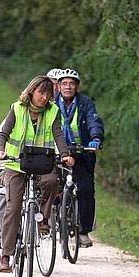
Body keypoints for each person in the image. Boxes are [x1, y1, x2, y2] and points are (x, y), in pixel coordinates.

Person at [0, 75, 75, 272]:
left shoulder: (53, 111)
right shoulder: (17, 108)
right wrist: (0, 149)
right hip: (16, 165)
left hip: (42, 163)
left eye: (48, 94)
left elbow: (58, 134)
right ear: (31, 91)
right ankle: (6, 255)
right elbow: (4, 133)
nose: (45, 97)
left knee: (52, 180)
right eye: (41, 92)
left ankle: (43, 221)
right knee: (13, 209)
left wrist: (65, 154)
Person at [55, 68, 104, 248]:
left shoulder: (85, 103)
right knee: (52, 185)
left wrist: (95, 139)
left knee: (86, 190)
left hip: (82, 151)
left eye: (72, 84)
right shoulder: (51, 104)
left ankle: (83, 231)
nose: (68, 87)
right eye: (64, 83)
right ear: (58, 86)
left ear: (77, 87)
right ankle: (51, 221)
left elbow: (94, 122)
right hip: (58, 152)